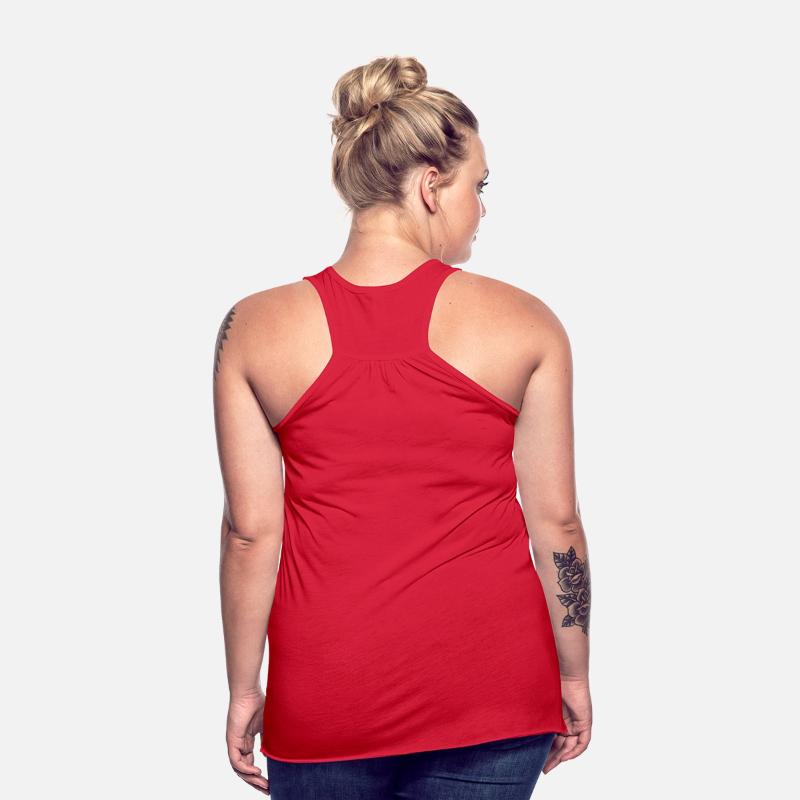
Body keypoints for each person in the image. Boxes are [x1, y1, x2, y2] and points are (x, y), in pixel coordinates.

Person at [213, 55, 592, 799]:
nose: (482, 208)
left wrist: (244, 687)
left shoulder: (252, 328)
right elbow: (558, 523)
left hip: (326, 694)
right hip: (494, 695)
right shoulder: (525, 322)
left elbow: (250, 534)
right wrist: (573, 675)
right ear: (430, 186)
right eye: (479, 186)